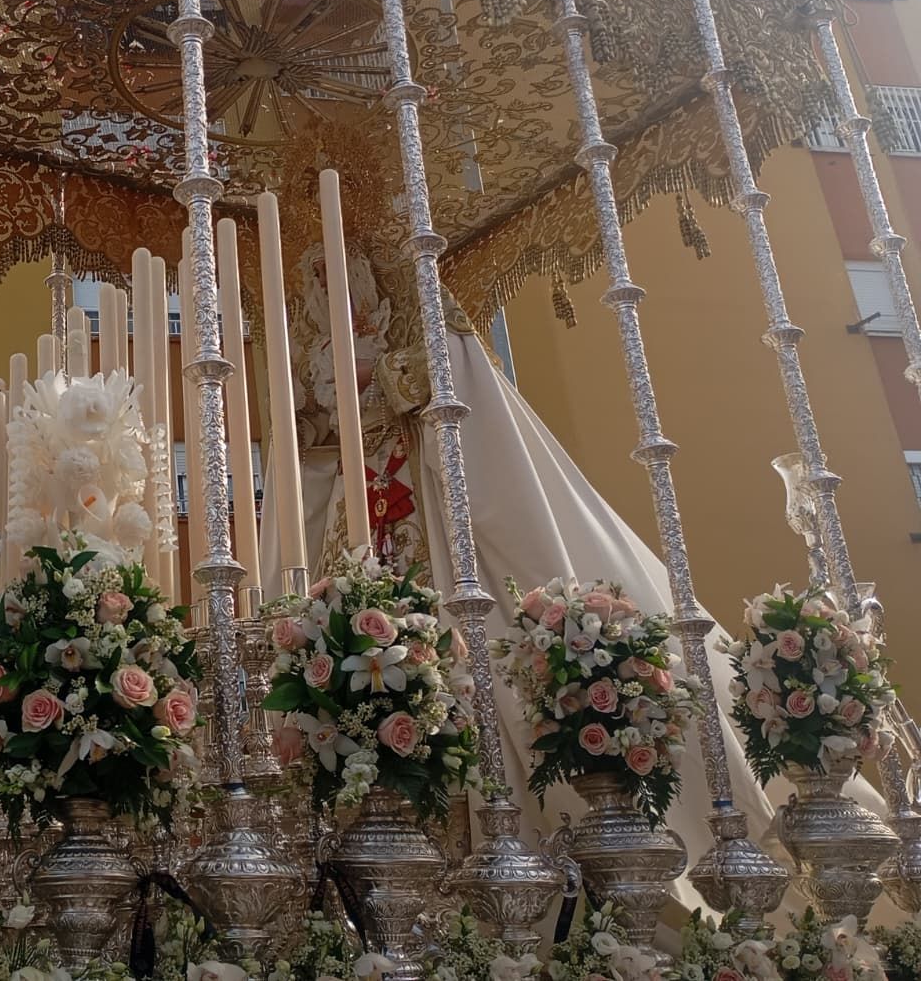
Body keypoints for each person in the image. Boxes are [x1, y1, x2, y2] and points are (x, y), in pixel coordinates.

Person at [257, 230, 888, 917]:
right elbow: (308, 462)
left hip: (434, 533)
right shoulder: (316, 361)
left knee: (482, 694)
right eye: (318, 286)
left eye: (339, 280)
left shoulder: (428, 328)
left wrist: (403, 381)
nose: (329, 300)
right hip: (366, 525)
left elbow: (479, 431)